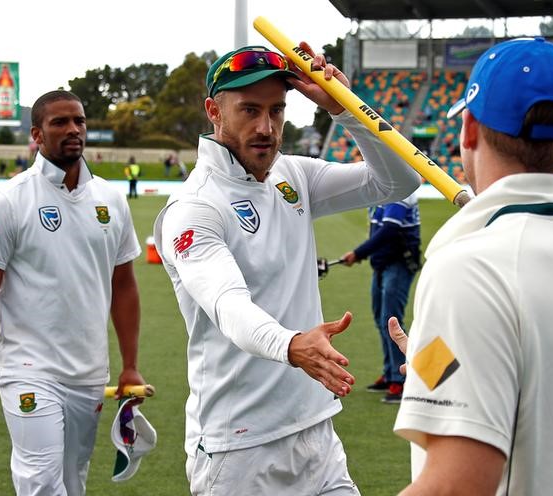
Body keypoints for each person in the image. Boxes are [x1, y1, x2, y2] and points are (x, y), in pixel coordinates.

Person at [153, 44, 419, 495]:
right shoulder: (194, 207)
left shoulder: (291, 175)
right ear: (214, 111)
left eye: (276, 110)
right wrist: (292, 345)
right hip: (240, 449)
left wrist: (346, 108)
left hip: (316, 430)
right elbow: (229, 306)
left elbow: (400, 179)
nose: (266, 128)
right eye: (249, 110)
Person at [390, 37, 553, 495]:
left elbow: (457, 486)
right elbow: (542, 390)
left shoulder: (469, 271)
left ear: (468, 130)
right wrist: (436, 364)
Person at [0, 90, 146, 496]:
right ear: (36, 135)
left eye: (79, 120)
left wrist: (129, 365)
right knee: (39, 481)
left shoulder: (111, 199)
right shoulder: (8, 201)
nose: (73, 129)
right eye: (60, 122)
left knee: (73, 483)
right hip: (28, 370)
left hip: (89, 373)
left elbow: (122, 286)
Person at [340, 192, 420, 404]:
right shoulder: (384, 191)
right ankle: (391, 372)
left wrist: (359, 253)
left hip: (400, 263)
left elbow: (389, 230)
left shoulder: (402, 191)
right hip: (382, 264)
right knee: (380, 318)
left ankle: (401, 379)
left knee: (391, 321)